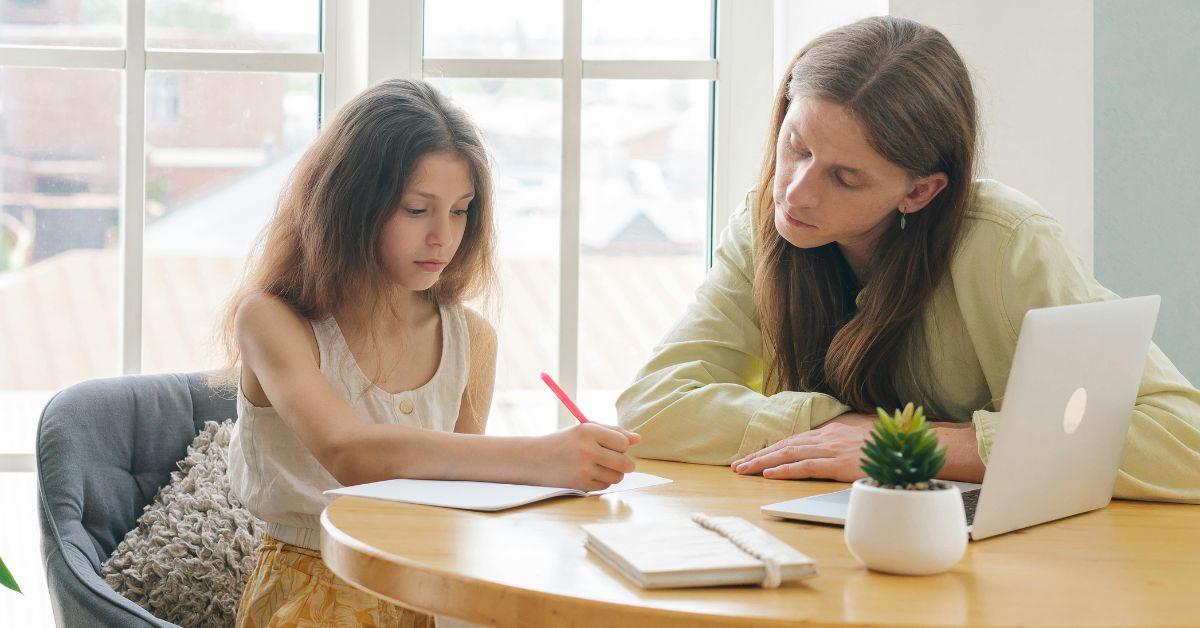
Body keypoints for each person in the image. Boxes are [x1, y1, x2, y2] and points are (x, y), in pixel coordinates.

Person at [617, 16, 1200, 501]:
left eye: (845, 178)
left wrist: (914, 446)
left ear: (920, 191)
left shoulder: (1007, 242)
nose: (796, 191)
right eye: (796, 146)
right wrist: (838, 430)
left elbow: (1183, 441)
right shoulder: (763, 224)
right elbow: (653, 406)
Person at [216, 79, 640, 627]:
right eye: (417, 210)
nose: (444, 236)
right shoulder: (273, 320)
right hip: (314, 594)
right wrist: (542, 457)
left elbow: (461, 489)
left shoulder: (470, 337)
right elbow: (348, 453)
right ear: (351, 206)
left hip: (435, 589)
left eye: (461, 211)